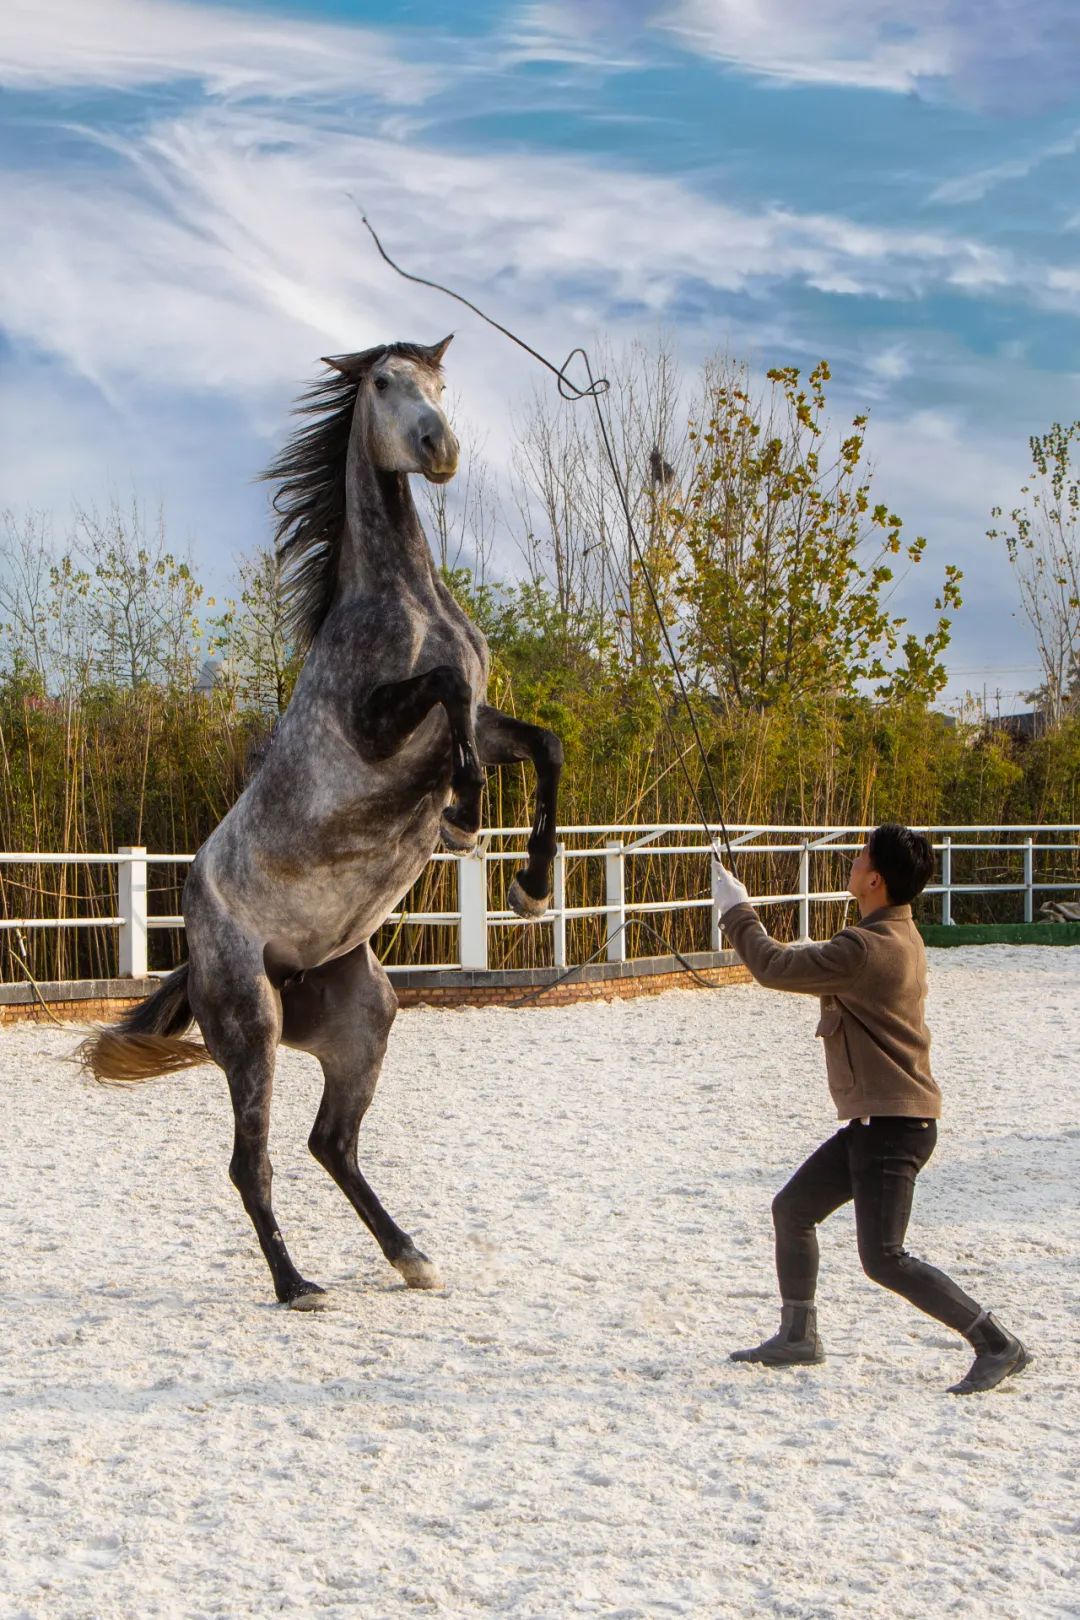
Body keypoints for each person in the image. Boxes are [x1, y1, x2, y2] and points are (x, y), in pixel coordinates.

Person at [713, 823, 1029, 1395]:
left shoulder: (866, 948)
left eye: (860, 856)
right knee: (793, 1209)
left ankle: (996, 1342)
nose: (853, 862)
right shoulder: (895, 934)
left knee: (884, 1258)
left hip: (892, 1127)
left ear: (876, 879)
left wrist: (736, 911)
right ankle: (798, 1335)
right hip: (879, 1124)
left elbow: (772, 968)